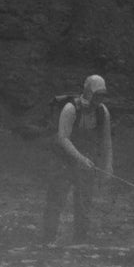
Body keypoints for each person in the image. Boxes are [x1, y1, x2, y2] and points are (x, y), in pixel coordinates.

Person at [42, 73, 113, 247]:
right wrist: (81, 159)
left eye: (103, 95)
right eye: (97, 95)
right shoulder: (70, 109)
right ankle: (47, 240)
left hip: (85, 164)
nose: (100, 99)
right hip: (63, 161)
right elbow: (63, 138)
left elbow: (106, 141)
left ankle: (80, 242)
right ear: (89, 93)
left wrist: (108, 167)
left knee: (84, 203)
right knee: (55, 200)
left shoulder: (103, 112)